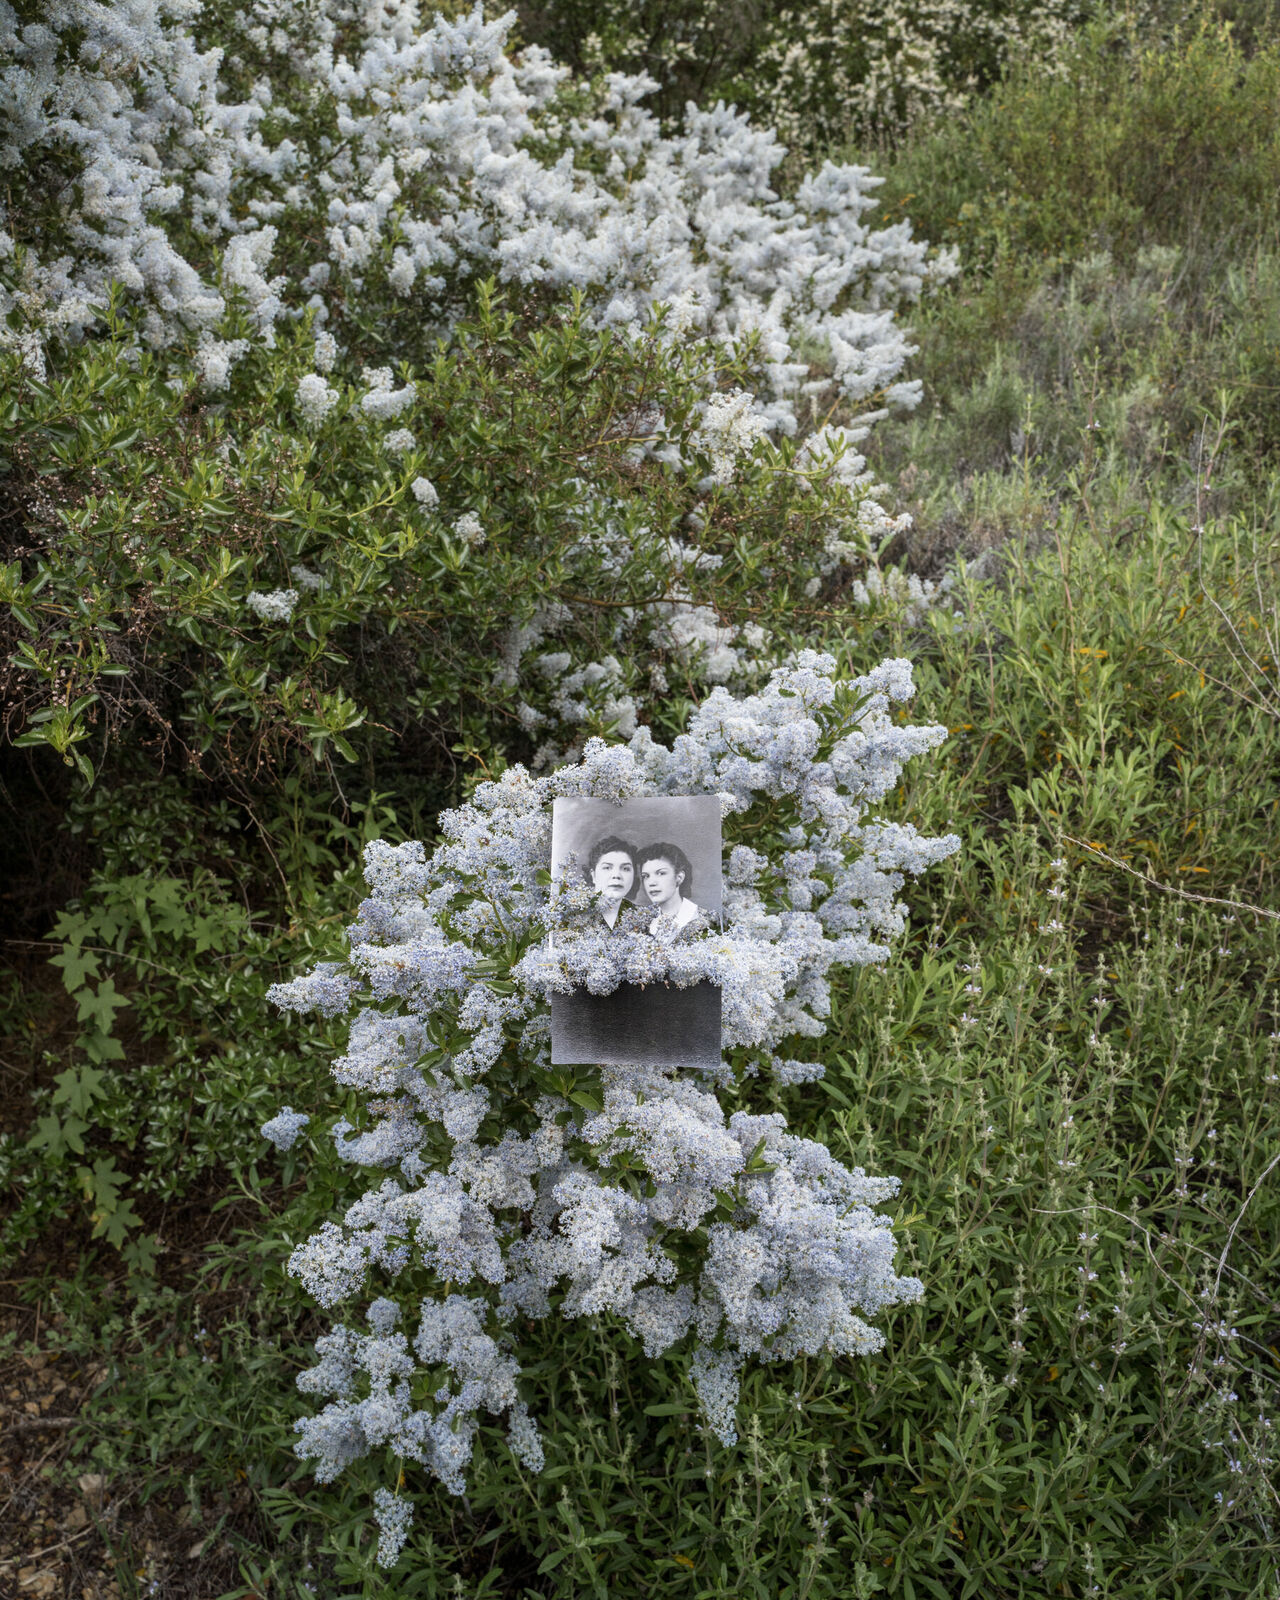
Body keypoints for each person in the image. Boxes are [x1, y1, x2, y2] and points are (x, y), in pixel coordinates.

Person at [636, 841, 702, 934]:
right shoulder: (642, 924)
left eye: (661, 873)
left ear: (679, 877)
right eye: (646, 876)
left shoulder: (703, 920)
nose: (651, 883)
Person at [585, 834, 637, 928]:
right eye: (607, 868)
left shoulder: (642, 917)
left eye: (625, 869)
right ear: (593, 875)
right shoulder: (575, 914)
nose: (616, 875)